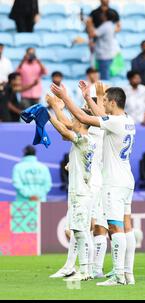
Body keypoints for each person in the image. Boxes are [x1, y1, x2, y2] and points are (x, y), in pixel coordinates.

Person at [51, 82, 136, 286]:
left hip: (113, 182)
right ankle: (127, 273)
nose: (103, 103)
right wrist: (89, 97)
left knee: (115, 228)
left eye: (105, 100)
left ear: (113, 102)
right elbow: (100, 116)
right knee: (125, 226)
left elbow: (82, 118)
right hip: (126, 180)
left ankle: (118, 275)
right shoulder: (126, 120)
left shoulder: (114, 122)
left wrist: (65, 96)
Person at [46, 95, 95, 282]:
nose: (72, 122)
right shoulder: (85, 140)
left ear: (82, 123)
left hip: (81, 192)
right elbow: (65, 132)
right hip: (80, 191)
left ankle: (85, 270)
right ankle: (85, 270)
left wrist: (49, 116)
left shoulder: (84, 139)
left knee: (81, 232)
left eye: (75, 120)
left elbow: (65, 133)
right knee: (78, 231)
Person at [87, 12, 119, 80]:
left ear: (106, 17)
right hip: (107, 54)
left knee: (104, 79)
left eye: (103, 15)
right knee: (103, 76)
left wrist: (89, 23)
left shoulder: (106, 26)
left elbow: (92, 34)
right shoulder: (111, 25)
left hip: (104, 55)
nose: (101, 16)